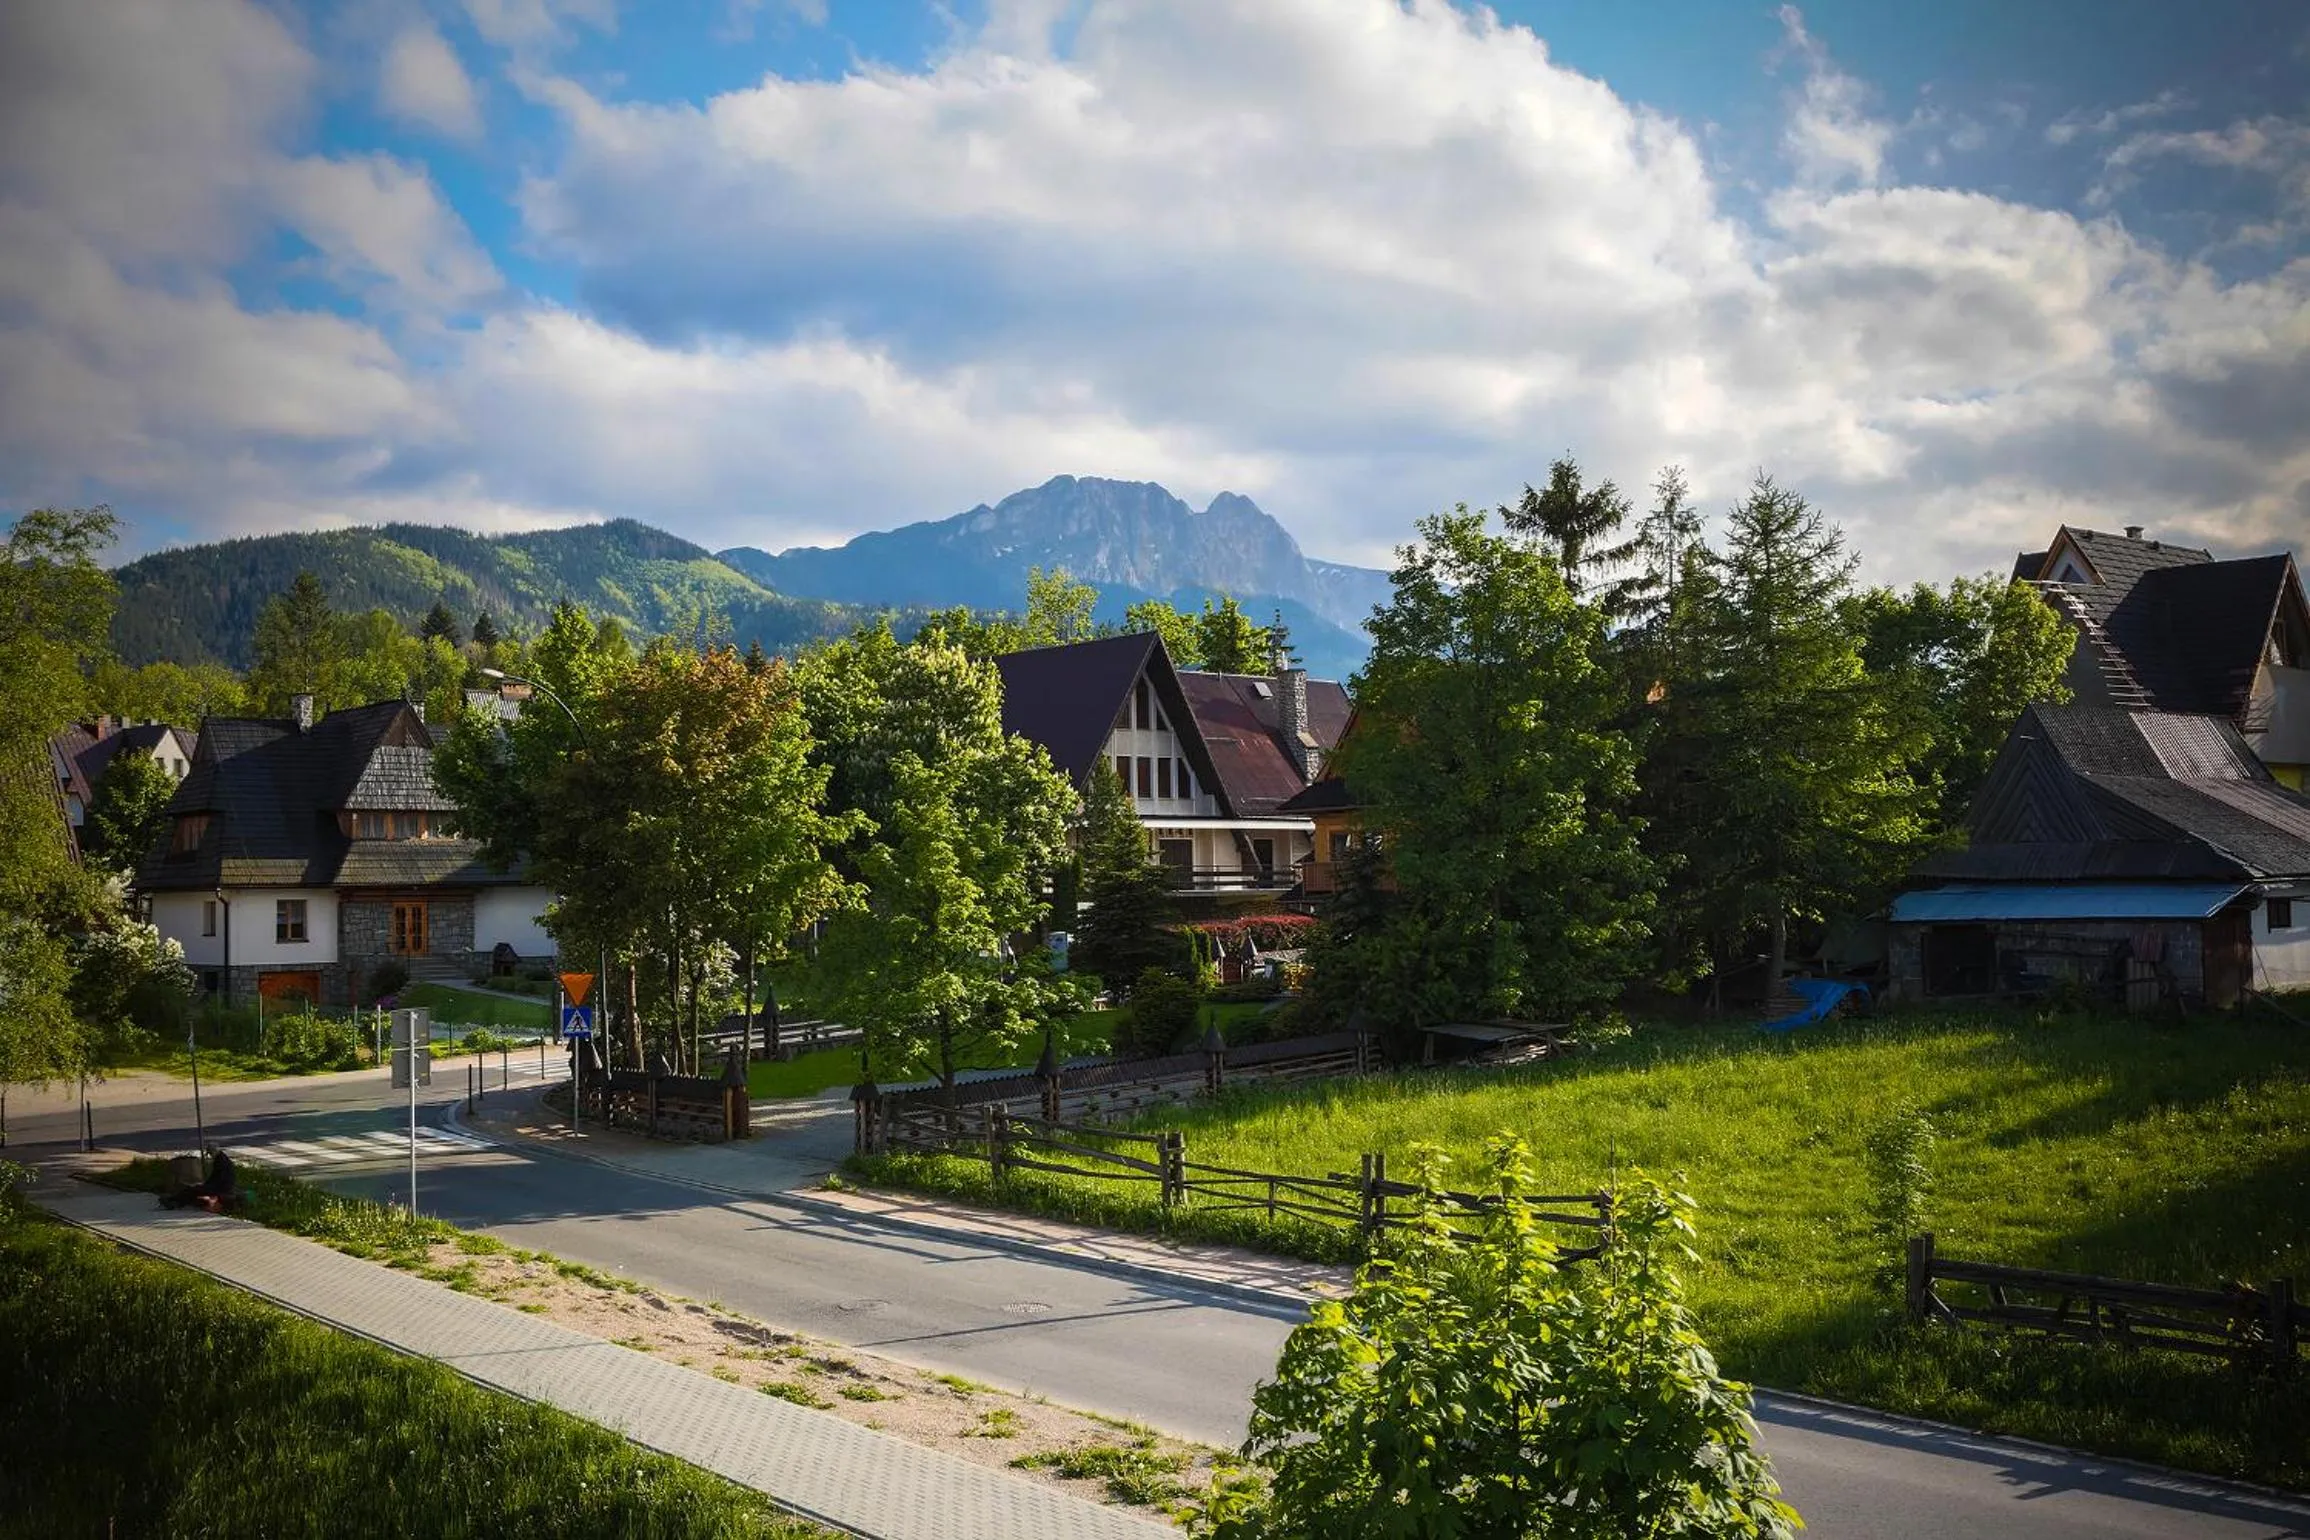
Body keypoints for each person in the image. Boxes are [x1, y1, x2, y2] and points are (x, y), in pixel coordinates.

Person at [161, 1145, 238, 1212]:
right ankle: (174, 1201)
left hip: (221, 1189)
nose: (210, 1155)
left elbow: (218, 1179)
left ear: (214, 1151)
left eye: (210, 1153)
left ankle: (175, 1201)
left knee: (193, 1190)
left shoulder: (221, 1162)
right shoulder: (221, 1159)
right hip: (220, 1187)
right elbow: (215, 1177)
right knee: (194, 1189)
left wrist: (206, 1186)